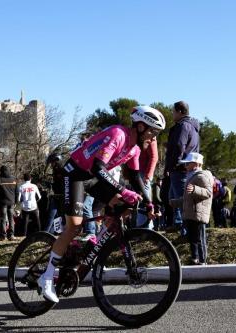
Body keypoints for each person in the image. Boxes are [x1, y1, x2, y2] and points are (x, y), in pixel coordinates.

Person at [38, 105, 166, 303]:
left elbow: (135, 177)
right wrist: (122, 190)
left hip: (92, 178)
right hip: (74, 174)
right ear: (140, 127)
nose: (153, 138)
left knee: (125, 205)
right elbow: (99, 167)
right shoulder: (118, 134)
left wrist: (150, 203)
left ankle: (93, 244)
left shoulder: (134, 149)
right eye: (152, 132)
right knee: (74, 226)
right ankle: (46, 277)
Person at [164, 101, 200, 235]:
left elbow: (180, 145)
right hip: (185, 166)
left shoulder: (183, 126)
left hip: (180, 167)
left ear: (180, 111)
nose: (172, 114)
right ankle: (178, 223)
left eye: (173, 111)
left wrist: (174, 163)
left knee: (181, 198)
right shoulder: (193, 127)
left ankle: (185, 229)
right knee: (173, 197)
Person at [170, 152, 213, 265]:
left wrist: (195, 189)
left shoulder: (202, 176)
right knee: (192, 238)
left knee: (199, 238)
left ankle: (202, 259)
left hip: (198, 213)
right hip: (191, 213)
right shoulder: (191, 176)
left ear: (197, 164)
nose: (186, 166)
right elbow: (187, 198)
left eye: (188, 163)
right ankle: (195, 258)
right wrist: (175, 202)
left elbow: (208, 193)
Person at [0, 165, 17, 241]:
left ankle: (2, 236)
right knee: (11, 219)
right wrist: (15, 201)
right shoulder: (14, 180)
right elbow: (17, 192)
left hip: (2, 203)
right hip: (11, 202)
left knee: (3, 219)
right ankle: (11, 235)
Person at [45, 153, 65, 234]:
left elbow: (65, 184)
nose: (51, 165)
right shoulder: (55, 171)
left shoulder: (63, 170)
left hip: (62, 196)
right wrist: (50, 184)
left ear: (57, 161)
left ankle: (58, 232)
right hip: (56, 195)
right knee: (52, 215)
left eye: (52, 163)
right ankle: (47, 233)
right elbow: (57, 184)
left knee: (60, 215)